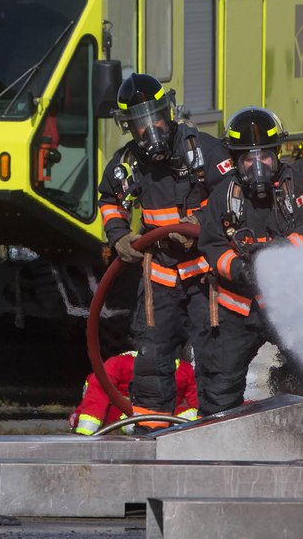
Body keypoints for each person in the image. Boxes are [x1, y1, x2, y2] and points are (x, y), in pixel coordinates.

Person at [96, 73, 234, 429]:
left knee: (214, 357)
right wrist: (118, 234)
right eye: (140, 124)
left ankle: (216, 430)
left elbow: (231, 195)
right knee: (152, 359)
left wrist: (200, 222)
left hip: (206, 276)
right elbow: (110, 198)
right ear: (128, 128)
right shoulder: (127, 163)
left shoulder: (203, 150)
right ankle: (151, 433)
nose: (150, 129)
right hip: (159, 277)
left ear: (168, 112)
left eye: (155, 117)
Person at [195, 107, 303, 415]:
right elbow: (212, 244)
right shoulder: (223, 196)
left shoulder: (299, 189)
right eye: (248, 158)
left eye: (265, 156)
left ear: (277, 154)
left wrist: (279, 256)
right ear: (236, 160)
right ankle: (217, 450)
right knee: (220, 389)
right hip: (238, 311)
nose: (258, 166)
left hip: (290, 309)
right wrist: (240, 269)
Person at [69, 349, 200, 435]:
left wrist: (84, 433)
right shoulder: (184, 370)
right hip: (151, 422)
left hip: (140, 422)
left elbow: (96, 396)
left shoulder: (118, 364)